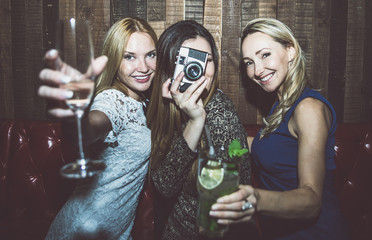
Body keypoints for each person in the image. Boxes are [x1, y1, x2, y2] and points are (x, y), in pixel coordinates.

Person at [211, 18, 350, 240]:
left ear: (291, 51)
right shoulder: (280, 107)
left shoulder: (308, 108)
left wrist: (255, 198)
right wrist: (203, 130)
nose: (257, 70)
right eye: (248, 62)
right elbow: (256, 146)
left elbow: (312, 200)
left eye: (265, 55)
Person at [38, 17, 157, 239]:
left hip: (116, 231)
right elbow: (90, 128)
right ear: (113, 60)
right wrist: (74, 115)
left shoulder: (143, 101)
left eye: (150, 55)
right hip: (83, 229)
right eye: (129, 57)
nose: (143, 67)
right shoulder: (114, 100)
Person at [146, 20, 257, 240]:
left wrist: (197, 120)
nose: (199, 70)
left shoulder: (220, 116)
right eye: (188, 61)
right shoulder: (165, 105)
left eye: (207, 60)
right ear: (169, 65)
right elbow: (160, 182)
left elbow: (220, 220)